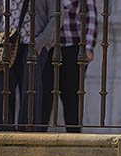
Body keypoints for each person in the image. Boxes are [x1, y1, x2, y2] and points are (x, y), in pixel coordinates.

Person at [0, 0, 57, 131]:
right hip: (4, 46)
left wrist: (40, 44)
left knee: (30, 95)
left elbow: (56, 18)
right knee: (1, 92)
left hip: (31, 46)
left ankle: (27, 137)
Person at [42, 0, 98, 133]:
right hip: (48, 48)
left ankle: (74, 136)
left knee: (71, 98)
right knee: (43, 95)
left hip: (72, 47)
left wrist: (88, 48)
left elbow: (91, 19)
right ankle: (39, 134)